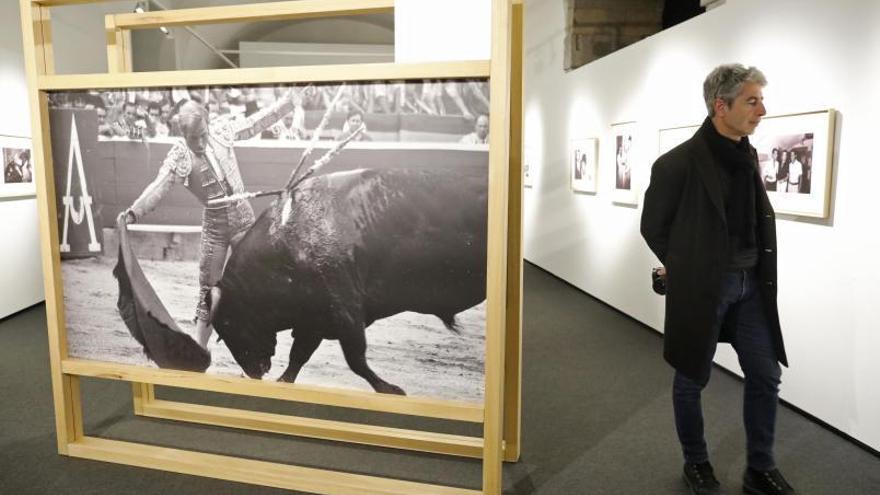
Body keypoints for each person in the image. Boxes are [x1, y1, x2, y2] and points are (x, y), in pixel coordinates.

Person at [640, 64, 797, 495]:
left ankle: (758, 468)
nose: (762, 110)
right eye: (752, 100)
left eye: (761, 100)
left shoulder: (746, 155)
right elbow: (654, 226)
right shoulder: (677, 164)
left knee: (765, 376)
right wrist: (687, 267)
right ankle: (697, 463)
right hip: (706, 289)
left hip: (751, 288)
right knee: (691, 377)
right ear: (720, 106)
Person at [118, 91, 296, 351]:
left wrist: (291, 100)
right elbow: (158, 187)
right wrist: (134, 212)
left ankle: (257, 345)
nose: (200, 143)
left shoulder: (222, 131)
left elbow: (258, 121)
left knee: (259, 280)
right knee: (207, 292)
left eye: (203, 135)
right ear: (183, 136)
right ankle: (199, 351)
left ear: (208, 124)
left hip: (244, 220)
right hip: (215, 227)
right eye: (194, 139)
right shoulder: (180, 155)